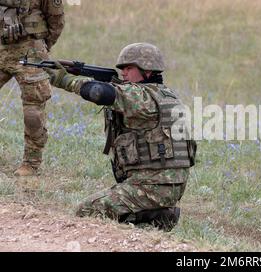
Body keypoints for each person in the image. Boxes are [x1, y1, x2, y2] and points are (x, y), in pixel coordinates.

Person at [44, 43, 196, 231]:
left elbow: (100, 93)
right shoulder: (166, 95)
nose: (123, 73)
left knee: (86, 211)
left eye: (129, 68)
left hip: (152, 186)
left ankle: (154, 218)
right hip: (166, 186)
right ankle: (156, 217)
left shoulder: (141, 96)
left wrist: (64, 80)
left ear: (147, 71)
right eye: (122, 68)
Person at [0, 0, 65, 176]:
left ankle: (31, 162)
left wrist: (43, 47)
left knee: (33, 111)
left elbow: (56, 19)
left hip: (30, 50)